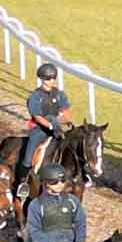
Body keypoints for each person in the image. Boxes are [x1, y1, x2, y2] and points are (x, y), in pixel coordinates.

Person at [19, 63, 72, 197]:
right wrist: (49, 125)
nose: (51, 81)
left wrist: (66, 121)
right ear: (42, 79)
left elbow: (65, 111)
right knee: (28, 157)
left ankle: (82, 173)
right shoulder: (35, 97)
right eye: (48, 78)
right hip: (40, 130)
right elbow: (37, 116)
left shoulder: (60, 95)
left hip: (57, 129)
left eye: (53, 78)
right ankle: (23, 183)